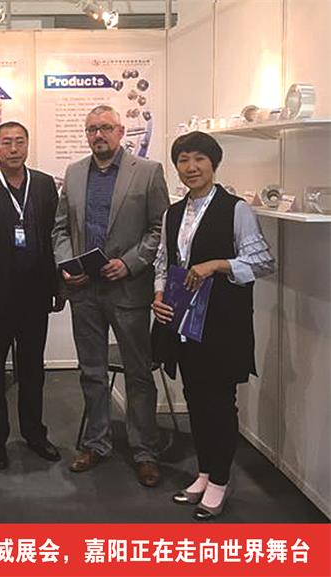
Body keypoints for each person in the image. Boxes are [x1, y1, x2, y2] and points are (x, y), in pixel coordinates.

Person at [151, 131, 275, 520]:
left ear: (214, 163)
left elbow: (263, 262)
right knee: (195, 398)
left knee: (220, 402)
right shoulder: (173, 213)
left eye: (199, 159)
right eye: (183, 160)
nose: (191, 167)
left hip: (223, 322)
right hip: (185, 321)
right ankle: (204, 472)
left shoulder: (236, 209)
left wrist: (218, 264)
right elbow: (163, 261)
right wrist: (158, 295)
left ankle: (220, 479)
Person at [52, 104, 169, 486]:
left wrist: (130, 263)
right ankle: (96, 443)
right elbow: (60, 229)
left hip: (127, 289)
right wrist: (67, 263)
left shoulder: (147, 171)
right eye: (92, 129)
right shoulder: (74, 173)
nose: (98, 135)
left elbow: (159, 228)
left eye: (105, 128)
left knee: (138, 374)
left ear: (120, 131)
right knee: (91, 372)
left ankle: (144, 451)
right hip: (84, 291)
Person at [0, 121, 63, 470]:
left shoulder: (43, 184)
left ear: (27, 145)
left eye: (20, 142)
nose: (13, 149)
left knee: (32, 369)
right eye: (6, 142)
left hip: (35, 294)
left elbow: (55, 237)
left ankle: (34, 433)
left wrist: (57, 286)